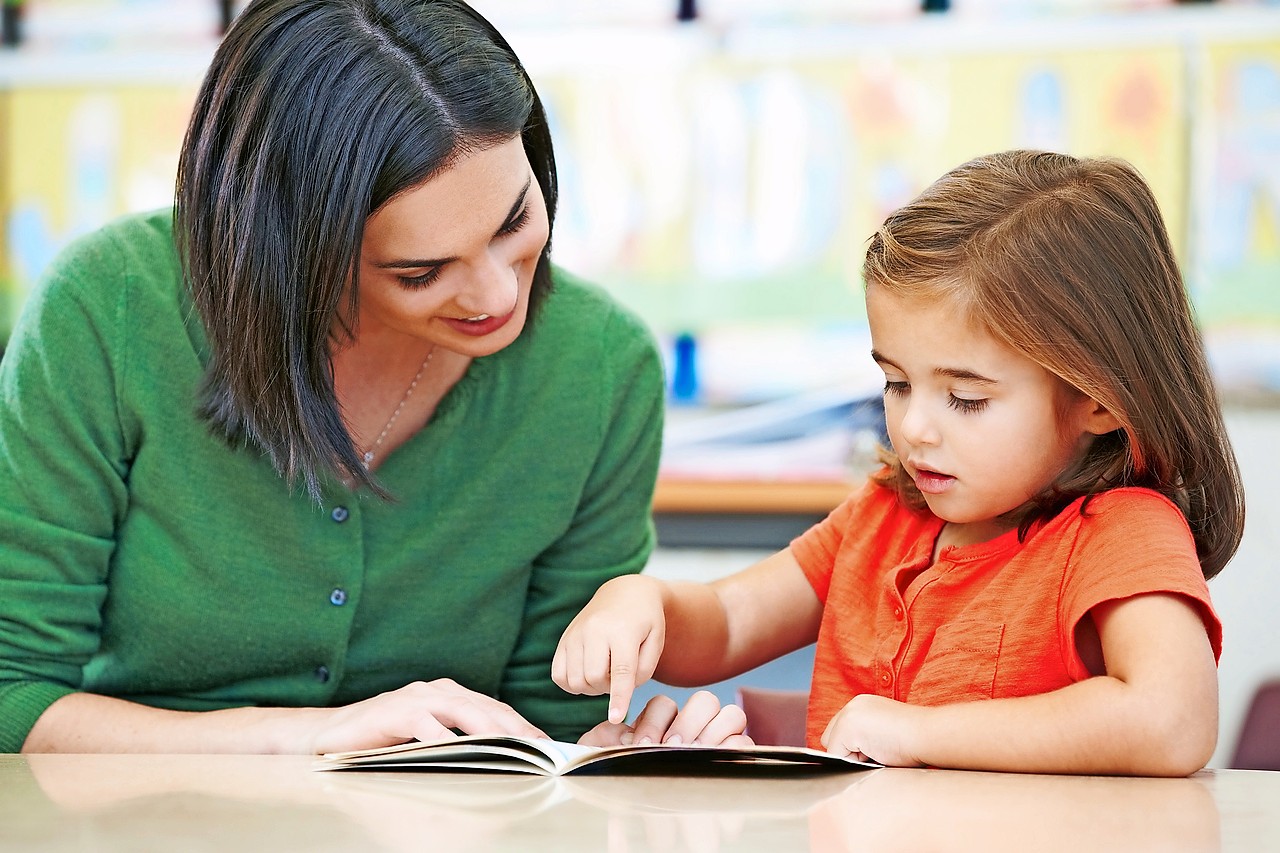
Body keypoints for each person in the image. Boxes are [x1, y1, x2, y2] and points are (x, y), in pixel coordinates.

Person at [0, 0, 681, 754]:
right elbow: (11, 693)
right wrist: (317, 737)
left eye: (514, 222)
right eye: (421, 270)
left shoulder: (601, 368)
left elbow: (544, 731)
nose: (498, 295)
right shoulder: (109, 309)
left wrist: (619, 753)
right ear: (291, 252)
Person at [554, 149, 1247, 775]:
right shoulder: (884, 514)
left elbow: (1171, 722)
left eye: (966, 398)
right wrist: (639, 602)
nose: (914, 427)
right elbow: (732, 620)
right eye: (895, 382)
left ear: (1098, 399)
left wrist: (920, 731)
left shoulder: (1121, 531)